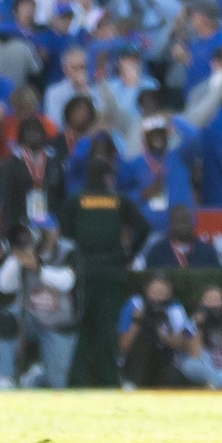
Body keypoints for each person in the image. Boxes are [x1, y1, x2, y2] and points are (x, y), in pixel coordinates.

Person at [60, 158, 150, 386]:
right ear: (109, 177)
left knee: (81, 327)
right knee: (107, 328)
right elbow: (144, 228)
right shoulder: (118, 200)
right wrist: (128, 255)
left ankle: (78, 381)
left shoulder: (76, 200)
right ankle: (109, 381)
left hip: (83, 271)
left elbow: (65, 234)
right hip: (111, 271)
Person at [0, 216, 81, 390]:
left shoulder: (68, 250)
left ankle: (35, 376)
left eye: (44, 231)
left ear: (56, 232)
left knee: (55, 384)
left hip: (59, 324)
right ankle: (4, 379)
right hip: (31, 317)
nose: (40, 235)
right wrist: (17, 257)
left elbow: (67, 282)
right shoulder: (25, 250)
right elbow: (4, 286)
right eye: (34, 230)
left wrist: (38, 269)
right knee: (7, 317)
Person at [117, 274, 192, 389]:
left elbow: (182, 343)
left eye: (162, 293)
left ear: (169, 294)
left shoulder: (175, 308)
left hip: (166, 360)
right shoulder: (135, 304)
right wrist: (138, 321)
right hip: (135, 360)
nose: (158, 297)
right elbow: (123, 345)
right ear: (147, 291)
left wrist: (161, 333)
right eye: (154, 292)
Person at [0, 117, 66, 235]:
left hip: (50, 215)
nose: (34, 135)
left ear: (43, 134)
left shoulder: (54, 160)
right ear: (22, 135)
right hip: (21, 218)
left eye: (37, 131)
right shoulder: (13, 162)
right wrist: (8, 224)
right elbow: (7, 195)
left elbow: (61, 191)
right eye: (29, 132)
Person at [144, 205, 222, 270]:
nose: (183, 225)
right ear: (171, 223)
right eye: (178, 221)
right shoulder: (157, 252)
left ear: (193, 223)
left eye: (186, 220)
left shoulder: (207, 252)